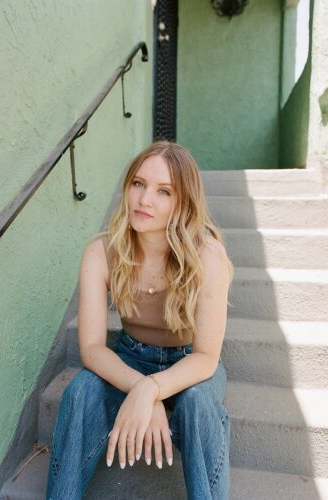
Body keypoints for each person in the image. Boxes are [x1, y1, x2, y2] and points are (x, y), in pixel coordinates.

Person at [46, 140, 234, 500]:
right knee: (82, 390)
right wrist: (141, 387)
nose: (145, 199)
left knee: (196, 402)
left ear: (184, 202)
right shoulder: (101, 252)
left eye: (164, 191)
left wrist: (152, 390)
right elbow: (90, 348)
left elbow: (206, 357)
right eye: (138, 184)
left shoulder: (208, 255)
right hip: (130, 357)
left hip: (189, 364)